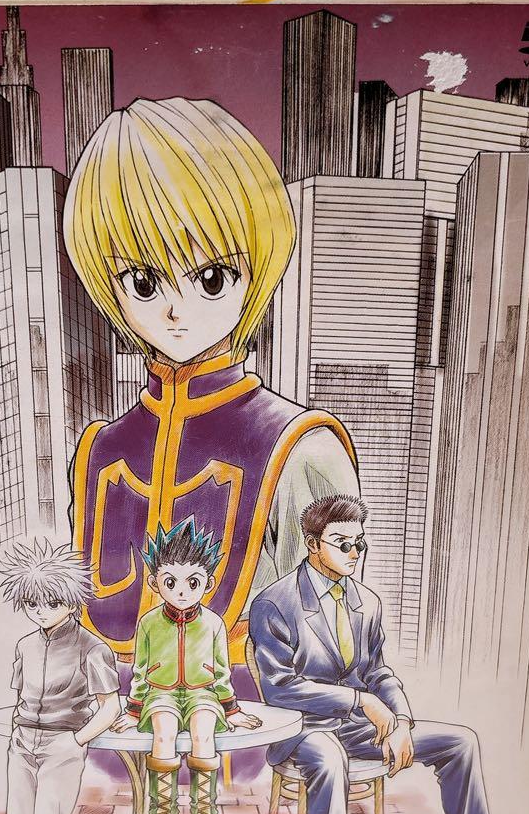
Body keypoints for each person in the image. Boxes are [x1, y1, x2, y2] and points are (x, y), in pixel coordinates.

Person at [64, 97, 359, 668]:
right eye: (143, 282)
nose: (177, 309)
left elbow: (329, 626)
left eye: (212, 277)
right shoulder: (103, 451)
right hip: (115, 711)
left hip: (254, 707)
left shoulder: (300, 446)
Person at [249, 495, 527, 814]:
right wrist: (360, 702)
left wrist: (401, 722)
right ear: (313, 544)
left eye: (359, 543)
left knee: (461, 741)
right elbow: (279, 687)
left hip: (360, 727)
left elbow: (378, 672)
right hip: (302, 729)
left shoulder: (367, 602)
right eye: (342, 543)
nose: (354, 553)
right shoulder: (275, 603)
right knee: (328, 757)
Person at [110, 517, 261, 814]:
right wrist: (133, 711)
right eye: (170, 581)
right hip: (159, 693)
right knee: (163, 733)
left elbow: (221, 671)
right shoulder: (149, 623)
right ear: (154, 583)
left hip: (202, 693)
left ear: (208, 583)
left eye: (192, 582)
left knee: (203, 733)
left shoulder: (214, 624)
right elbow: (140, 670)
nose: (181, 591)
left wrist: (231, 710)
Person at [0, 540, 121, 814]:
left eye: (52, 602)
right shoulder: (25, 646)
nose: (40, 611)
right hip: (22, 742)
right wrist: (17, 733)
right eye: (31, 603)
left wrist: (75, 741)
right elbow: (21, 696)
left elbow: (111, 707)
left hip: (62, 744)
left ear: (72, 601)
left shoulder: (93, 648)